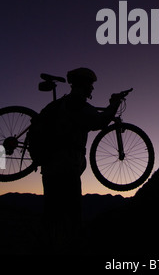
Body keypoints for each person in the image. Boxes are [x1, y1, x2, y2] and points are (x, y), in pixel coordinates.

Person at [39, 67, 123, 253]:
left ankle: (48, 246)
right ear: (83, 84)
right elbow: (99, 122)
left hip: (51, 166)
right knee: (71, 216)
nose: (92, 89)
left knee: (52, 213)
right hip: (66, 167)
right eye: (90, 85)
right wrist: (115, 104)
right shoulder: (76, 103)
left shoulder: (64, 103)